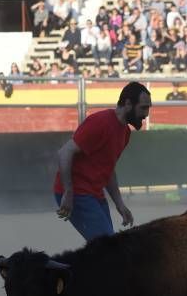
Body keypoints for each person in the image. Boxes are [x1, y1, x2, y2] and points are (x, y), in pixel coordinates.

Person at [54, 82, 152, 241]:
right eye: (143, 107)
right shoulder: (100, 122)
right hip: (77, 193)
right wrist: (68, 191)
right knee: (107, 248)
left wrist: (119, 204)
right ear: (127, 104)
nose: (146, 114)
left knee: (105, 248)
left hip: (94, 194)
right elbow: (64, 153)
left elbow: (108, 170)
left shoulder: (125, 132)